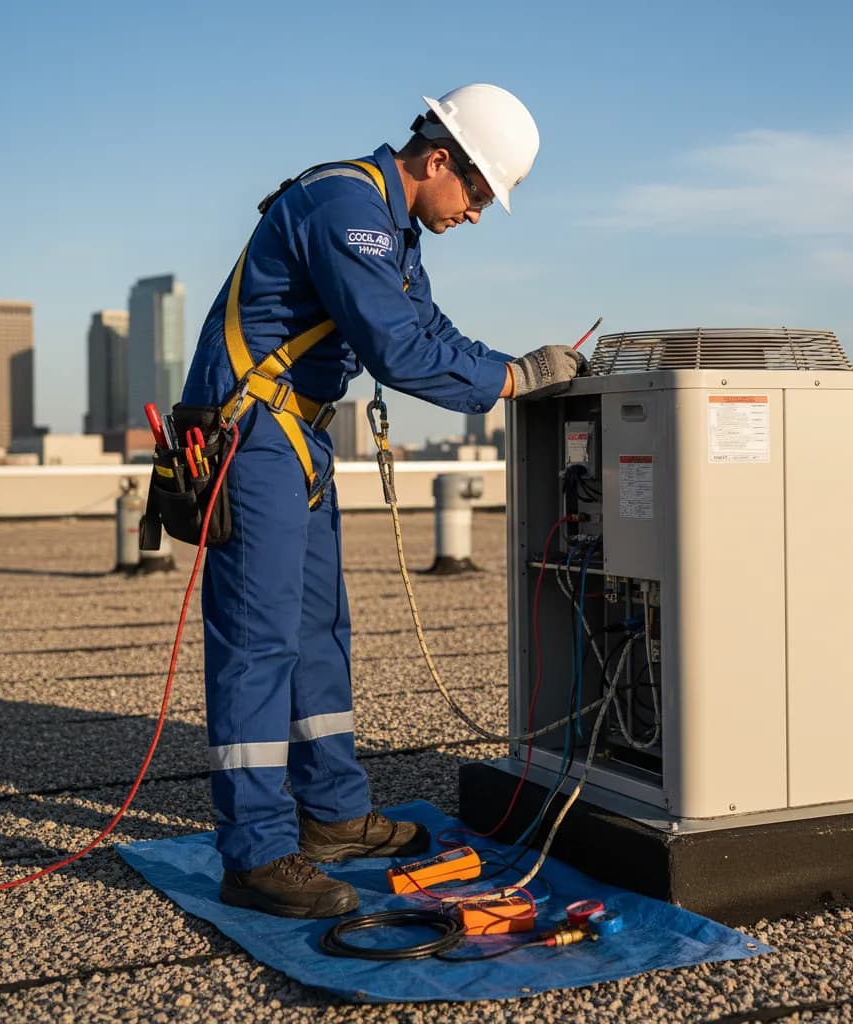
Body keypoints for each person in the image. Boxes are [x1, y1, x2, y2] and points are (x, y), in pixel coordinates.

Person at [180, 83, 586, 919]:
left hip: (295, 436)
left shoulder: (394, 232)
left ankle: (331, 815)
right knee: (260, 646)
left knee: (319, 631)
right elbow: (400, 348)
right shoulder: (345, 207)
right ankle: (255, 855)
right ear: (438, 159)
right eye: (476, 193)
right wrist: (516, 379)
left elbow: (430, 331)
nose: (475, 214)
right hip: (252, 436)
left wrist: (516, 366)